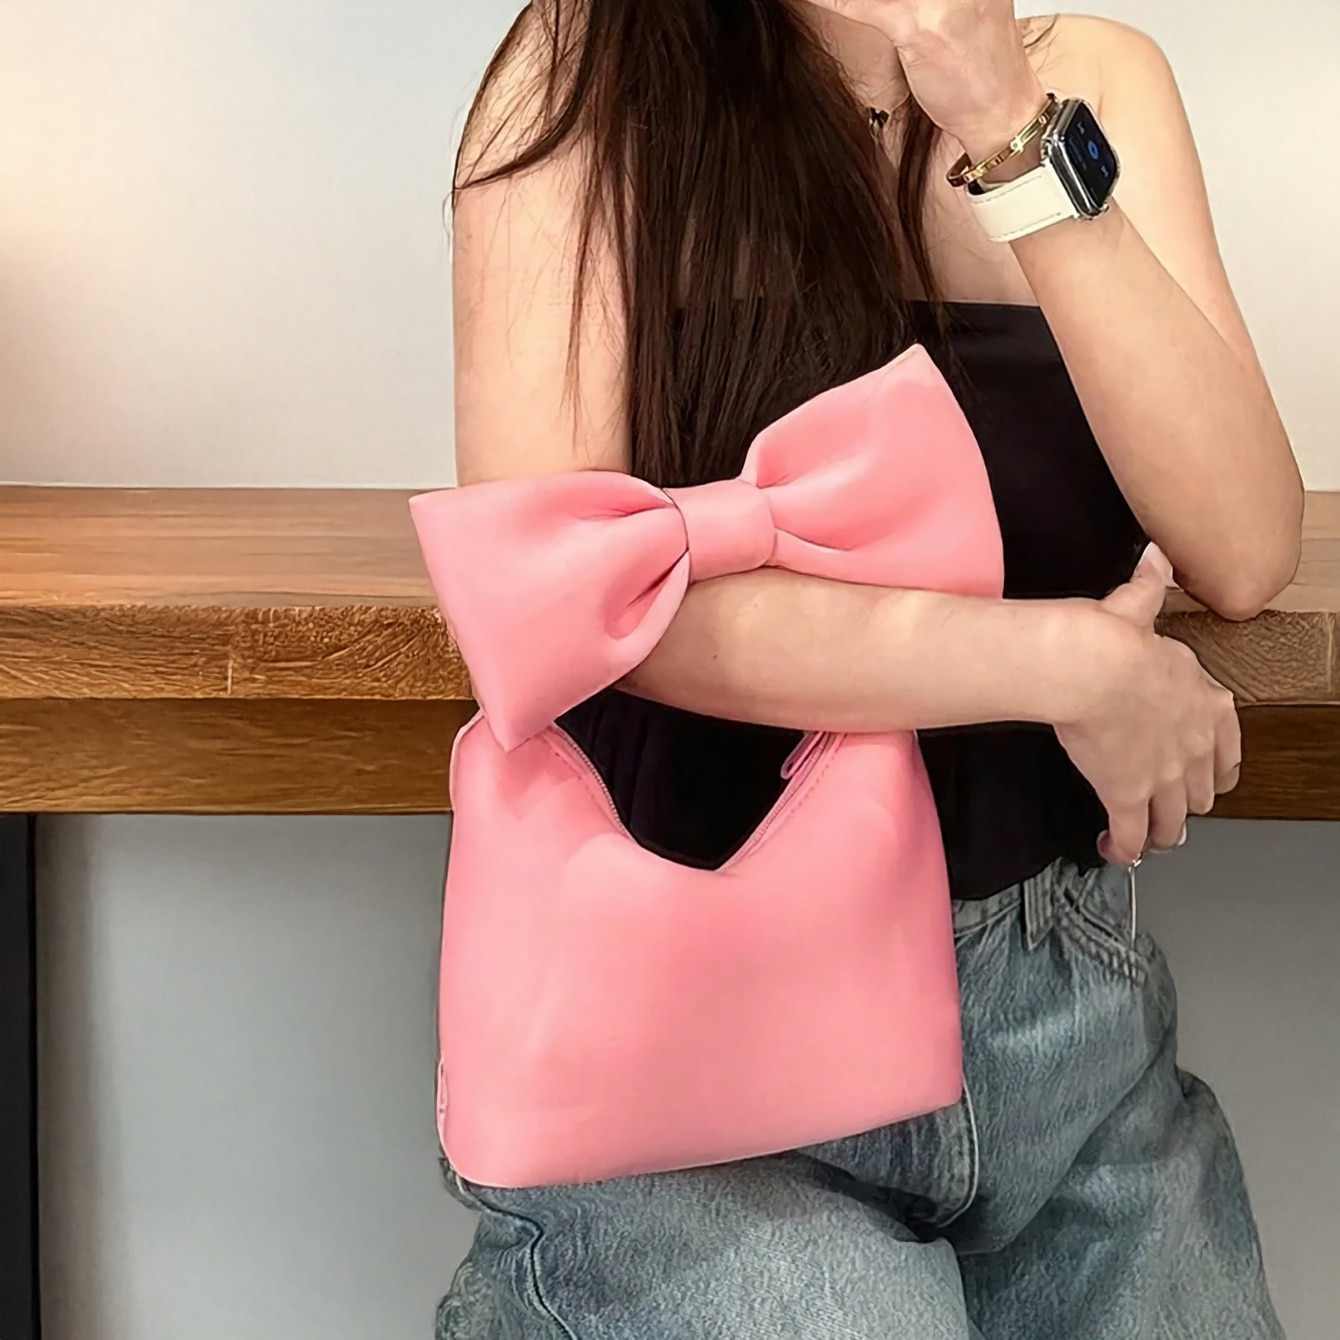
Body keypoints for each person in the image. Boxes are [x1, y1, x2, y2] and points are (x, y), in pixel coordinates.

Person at [436, 1, 1303, 1335]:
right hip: (703, 1043)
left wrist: (1009, 127)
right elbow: (559, 590)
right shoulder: (592, 69)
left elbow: (1242, 547)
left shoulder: (1094, 78)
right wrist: (1060, 661)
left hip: (1067, 1008)